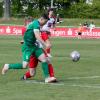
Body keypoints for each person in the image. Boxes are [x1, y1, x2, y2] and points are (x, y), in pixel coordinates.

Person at [2, 14, 56, 83]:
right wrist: (45, 44)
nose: (45, 24)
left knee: (44, 59)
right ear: (42, 19)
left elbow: (30, 35)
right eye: (45, 22)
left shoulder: (36, 24)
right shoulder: (36, 24)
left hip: (34, 46)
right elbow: (37, 36)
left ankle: (47, 78)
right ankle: (7, 66)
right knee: (24, 65)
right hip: (27, 47)